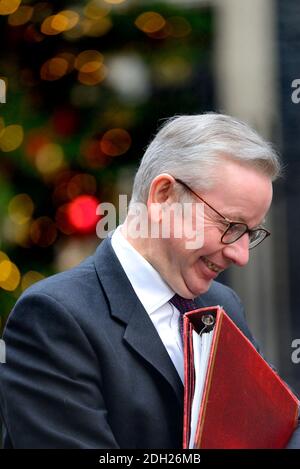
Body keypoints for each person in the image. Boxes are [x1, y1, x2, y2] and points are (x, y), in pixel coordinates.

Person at [0, 113, 299, 448]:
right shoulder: (54, 317)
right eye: (230, 226)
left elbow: (278, 428)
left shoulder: (223, 303)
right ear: (164, 196)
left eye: (250, 233)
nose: (241, 255)